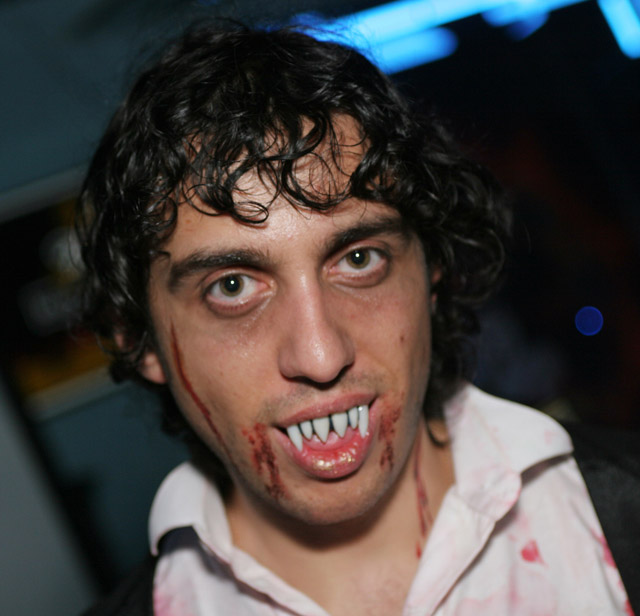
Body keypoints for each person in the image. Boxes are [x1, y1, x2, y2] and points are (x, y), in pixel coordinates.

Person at [77, 22, 635, 616]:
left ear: (432, 271)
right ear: (140, 339)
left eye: (359, 260)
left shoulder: (621, 513)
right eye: (232, 287)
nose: (321, 356)